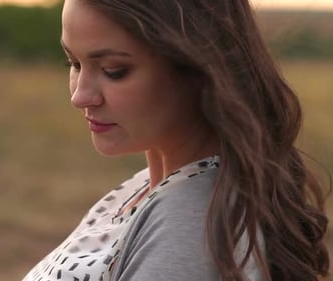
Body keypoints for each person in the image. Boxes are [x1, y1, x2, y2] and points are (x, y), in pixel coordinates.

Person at [22, 0, 330, 280]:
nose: (80, 96)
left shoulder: (191, 225)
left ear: (197, 68)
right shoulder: (150, 188)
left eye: (114, 71)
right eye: (73, 63)